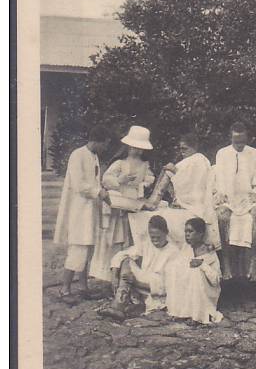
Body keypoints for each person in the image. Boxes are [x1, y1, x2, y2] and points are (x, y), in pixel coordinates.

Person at [130, 133, 220, 250]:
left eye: (185, 148)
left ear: (194, 147)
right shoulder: (205, 161)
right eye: (180, 148)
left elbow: (172, 187)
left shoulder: (189, 163)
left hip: (193, 205)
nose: (182, 151)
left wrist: (173, 172)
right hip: (201, 207)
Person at [89, 125, 155, 282]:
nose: (137, 151)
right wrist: (120, 180)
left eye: (140, 148)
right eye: (134, 147)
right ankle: (107, 275)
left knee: (131, 237)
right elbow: (106, 179)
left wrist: (144, 184)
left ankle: (126, 275)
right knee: (114, 238)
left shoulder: (144, 165)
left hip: (134, 203)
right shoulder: (120, 162)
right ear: (128, 146)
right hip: (118, 204)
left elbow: (150, 178)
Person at [54, 124, 111, 304]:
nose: (106, 148)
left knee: (88, 248)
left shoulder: (93, 157)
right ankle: (65, 289)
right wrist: (98, 192)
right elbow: (79, 185)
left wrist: (101, 191)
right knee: (78, 249)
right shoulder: (77, 155)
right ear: (97, 141)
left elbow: (94, 182)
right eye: (105, 144)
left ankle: (83, 287)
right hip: (78, 210)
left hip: (90, 211)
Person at [214, 122, 256, 281]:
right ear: (230, 138)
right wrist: (221, 194)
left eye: (242, 141)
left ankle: (253, 264)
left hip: (247, 198)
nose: (239, 145)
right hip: (228, 199)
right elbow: (219, 181)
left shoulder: (254, 153)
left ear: (247, 138)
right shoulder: (222, 154)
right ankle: (226, 265)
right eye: (236, 141)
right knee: (222, 216)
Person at [98, 215, 179, 321]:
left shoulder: (174, 252)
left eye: (158, 237)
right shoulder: (147, 244)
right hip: (140, 278)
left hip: (153, 287)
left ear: (166, 233)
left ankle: (118, 305)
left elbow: (167, 285)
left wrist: (137, 282)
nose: (154, 240)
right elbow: (121, 254)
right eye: (152, 237)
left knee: (129, 273)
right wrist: (114, 276)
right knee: (126, 260)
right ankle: (119, 303)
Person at [166, 217, 223, 324]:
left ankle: (198, 314)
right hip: (189, 289)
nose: (187, 235)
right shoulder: (186, 248)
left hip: (206, 291)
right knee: (173, 268)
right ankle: (180, 311)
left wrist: (202, 264)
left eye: (190, 231)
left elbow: (216, 279)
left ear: (200, 234)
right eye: (185, 232)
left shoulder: (208, 251)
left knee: (195, 272)